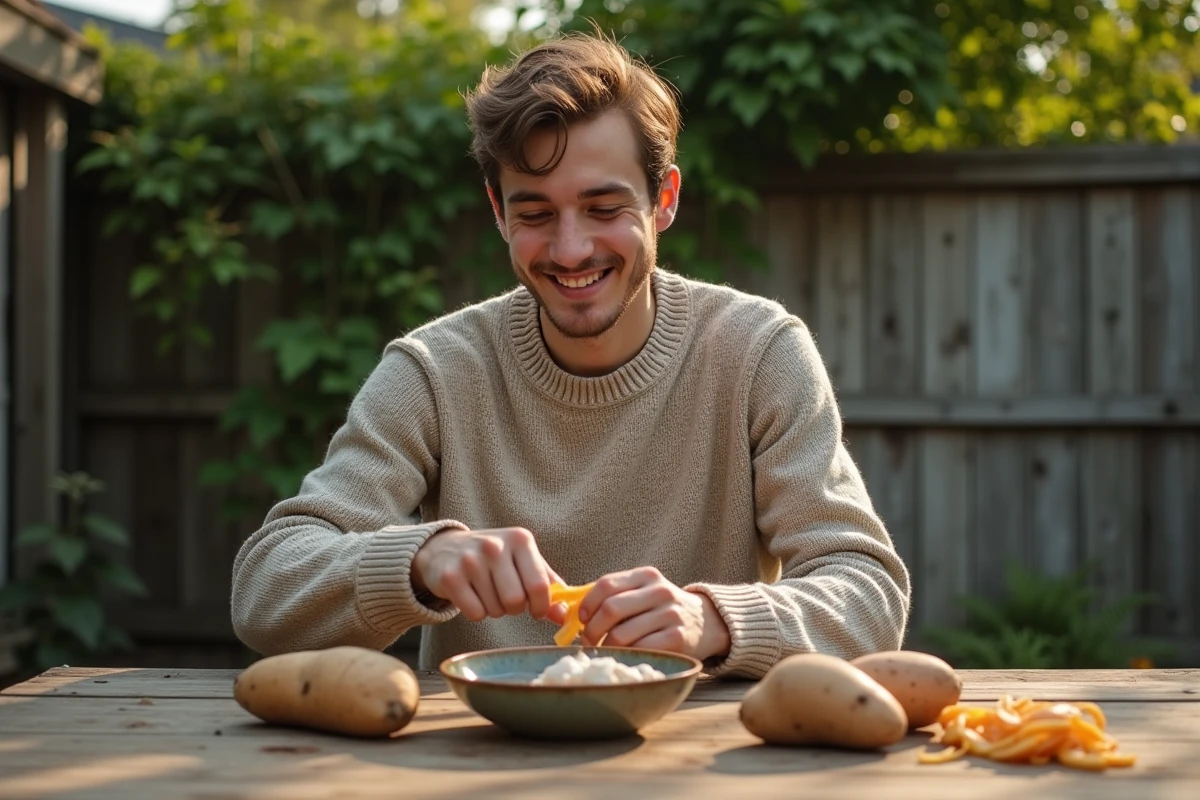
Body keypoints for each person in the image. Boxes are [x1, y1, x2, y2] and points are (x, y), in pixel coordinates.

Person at [230, 32, 910, 679]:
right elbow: (266, 591)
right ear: (498, 212)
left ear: (663, 199)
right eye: (535, 214)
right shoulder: (434, 372)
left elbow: (867, 590)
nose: (570, 249)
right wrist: (418, 560)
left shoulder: (758, 353)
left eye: (603, 206)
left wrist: (714, 620)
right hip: (468, 758)